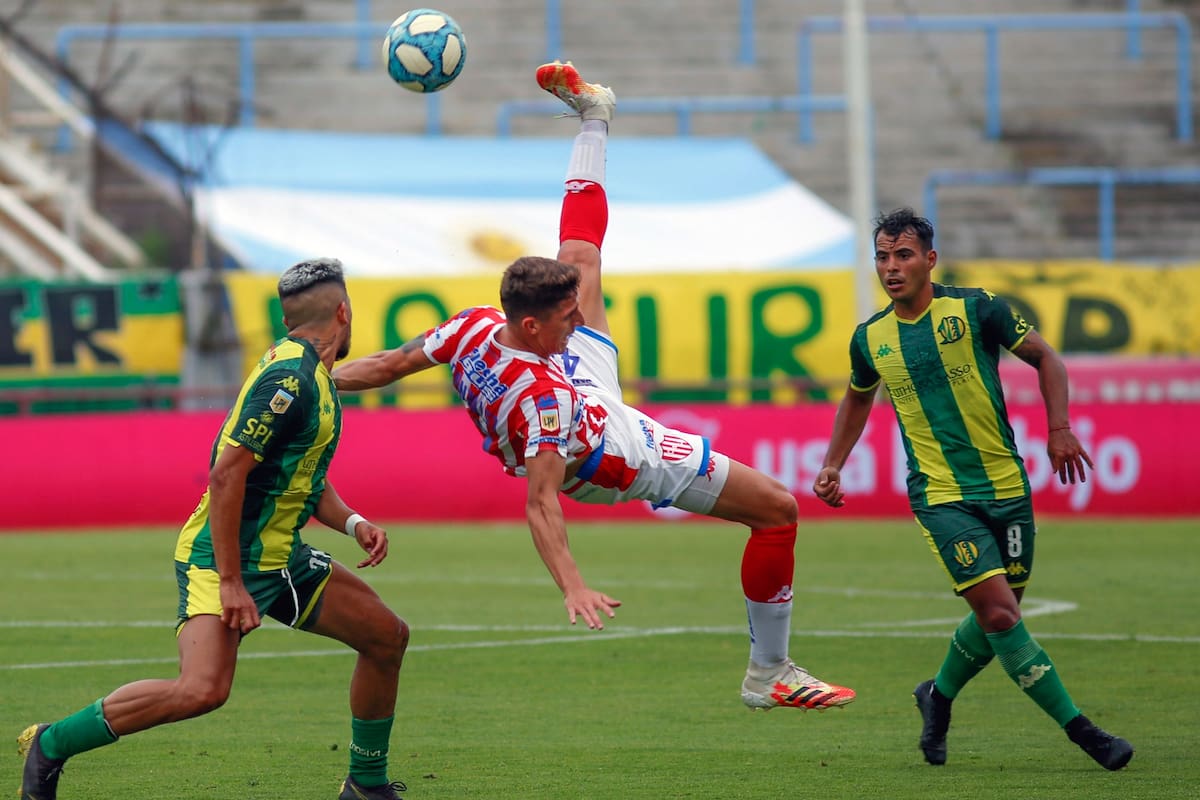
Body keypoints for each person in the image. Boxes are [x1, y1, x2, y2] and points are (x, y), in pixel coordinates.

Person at [333, 61, 855, 713]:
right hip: (614, 451)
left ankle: (593, 116)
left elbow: (385, 366)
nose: (581, 318)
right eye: (567, 316)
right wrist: (573, 586)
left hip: (573, 381)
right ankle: (768, 674)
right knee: (778, 510)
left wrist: (315, 374)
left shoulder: (473, 327)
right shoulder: (542, 406)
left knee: (580, 258)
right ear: (532, 322)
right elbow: (542, 503)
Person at [17, 258, 411, 800]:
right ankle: (51, 743)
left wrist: (354, 522)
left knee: (386, 637)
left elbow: (301, 477)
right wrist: (231, 581)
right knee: (201, 690)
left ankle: (366, 784)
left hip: (280, 558)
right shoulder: (288, 379)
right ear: (344, 311)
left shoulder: (310, 374)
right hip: (221, 558)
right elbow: (226, 475)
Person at [811, 208, 1133, 770]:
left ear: (929, 260)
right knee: (1002, 617)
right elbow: (859, 397)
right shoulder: (871, 338)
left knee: (997, 616)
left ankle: (937, 695)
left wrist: (1059, 428)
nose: (891, 267)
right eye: (883, 257)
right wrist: (833, 463)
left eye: (903, 255)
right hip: (940, 496)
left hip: (1007, 486)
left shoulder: (976, 308)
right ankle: (1084, 732)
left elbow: (1046, 359)